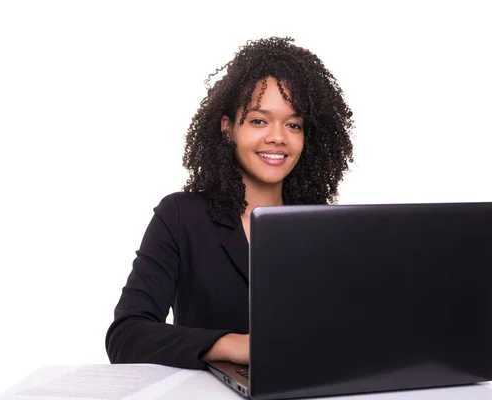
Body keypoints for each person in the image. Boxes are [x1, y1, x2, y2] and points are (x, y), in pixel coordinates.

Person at [105, 36, 354, 370]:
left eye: (293, 124)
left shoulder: (324, 227)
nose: (278, 136)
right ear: (228, 129)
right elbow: (126, 336)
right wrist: (230, 345)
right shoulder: (180, 218)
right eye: (258, 120)